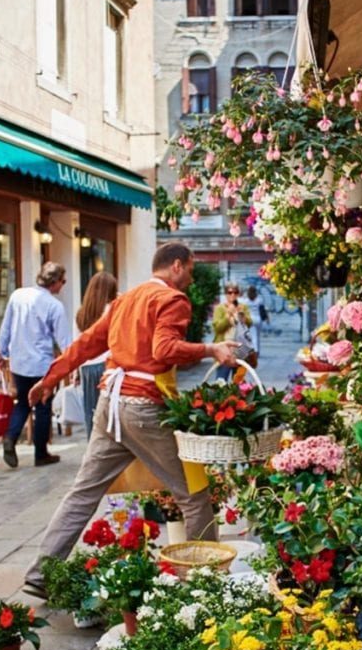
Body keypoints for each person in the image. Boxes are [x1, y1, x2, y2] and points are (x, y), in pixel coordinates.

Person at [20, 241, 238, 598]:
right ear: (178, 266)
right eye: (192, 269)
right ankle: (205, 584)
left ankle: (41, 575)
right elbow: (164, 350)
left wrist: (50, 379)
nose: (192, 277)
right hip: (142, 406)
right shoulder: (172, 300)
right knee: (194, 494)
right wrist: (211, 349)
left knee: (83, 493)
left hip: (110, 403)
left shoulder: (126, 299)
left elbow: (86, 343)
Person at [0, 261, 71, 468]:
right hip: (41, 364)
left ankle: (10, 436)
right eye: (63, 281)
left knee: (23, 402)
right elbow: (64, 340)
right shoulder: (54, 306)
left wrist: (1, 352)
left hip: (19, 362)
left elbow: (6, 327)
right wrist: (70, 364)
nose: (63, 286)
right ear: (54, 282)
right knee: (43, 407)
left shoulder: (18, 296)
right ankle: (41, 453)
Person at [75, 271, 118, 438]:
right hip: (107, 366)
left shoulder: (81, 314)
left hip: (86, 368)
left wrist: (76, 371)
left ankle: (92, 446)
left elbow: (77, 344)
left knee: (91, 413)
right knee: (109, 414)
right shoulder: (112, 310)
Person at [211, 281, 253, 380]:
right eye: (230, 292)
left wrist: (242, 316)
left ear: (238, 293)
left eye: (235, 292)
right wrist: (227, 317)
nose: (233, 295)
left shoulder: (243, 307)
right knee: (221, 381)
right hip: (225, 350)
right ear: (226, 294)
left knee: (238, 383)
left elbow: (249, 324)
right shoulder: (219, 308)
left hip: (240, 350)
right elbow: (217, 328)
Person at [240, 285, 263, 357]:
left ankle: (255, 350)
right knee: (257, 335)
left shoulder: (246, 301)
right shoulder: (259, 299)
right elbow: (263, 309)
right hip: (258, 319)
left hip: (251, 319)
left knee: (253, 335)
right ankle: (258, 350)